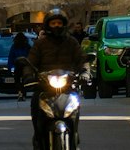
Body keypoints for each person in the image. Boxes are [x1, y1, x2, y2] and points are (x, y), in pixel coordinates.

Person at [23, 8, 85, 143]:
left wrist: (85, 72)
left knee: (76, 105)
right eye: (53, 23)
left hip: (67, 87)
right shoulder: (40, 44)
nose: (56, 26)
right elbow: (30, 62)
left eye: (59, 23)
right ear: (48, 25)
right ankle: (38, 138)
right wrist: (28, 75)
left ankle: (74, 136)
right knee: (35, 103)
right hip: (45, 87)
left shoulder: (72, 42)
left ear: (63, 24)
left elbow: (82, 59)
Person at [7, 29, 31, 100]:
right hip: (25, 66)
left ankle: (20, 92)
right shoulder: (27, 46)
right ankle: (23, 93)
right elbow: (31, 56)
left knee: (17, 80)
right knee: (24, 81)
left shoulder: (14, 46)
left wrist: (10, 68)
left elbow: (11, 57)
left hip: (17, 66)